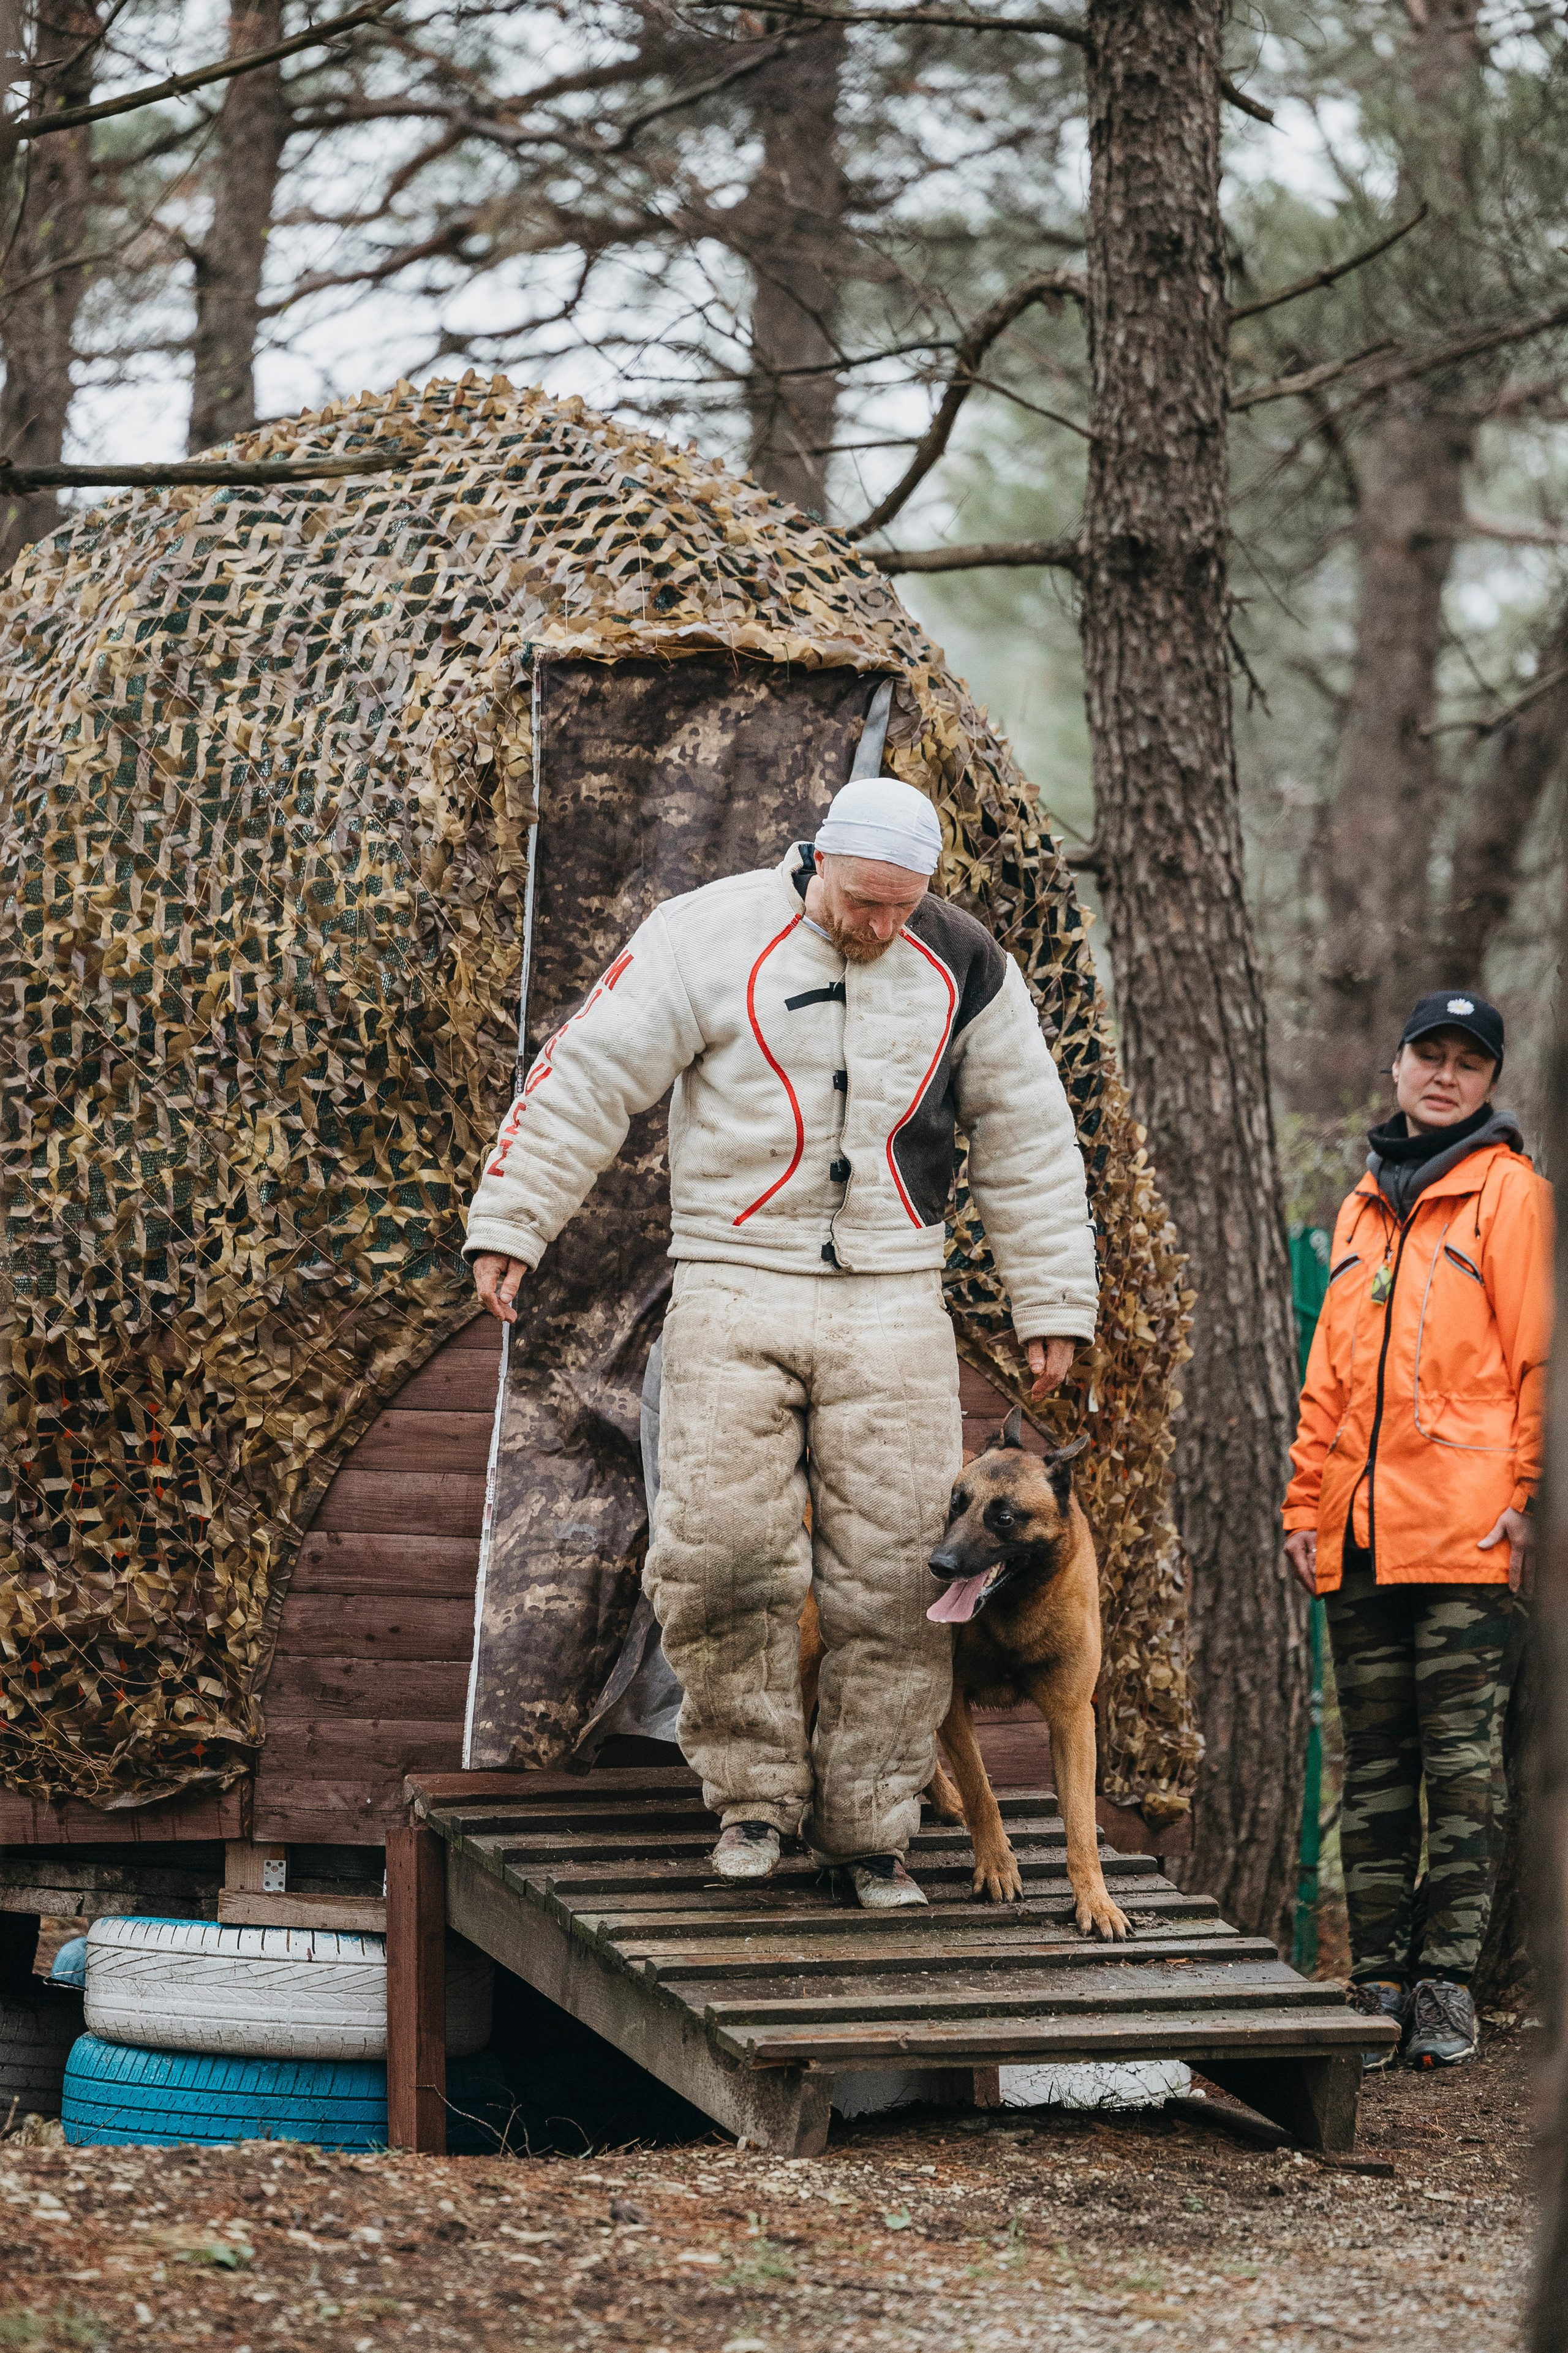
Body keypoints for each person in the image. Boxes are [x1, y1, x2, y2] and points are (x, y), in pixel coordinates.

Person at [464, 774, 1097, 1908]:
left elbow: (1030, 1132)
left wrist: (1052, 1300)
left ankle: (871, 1831)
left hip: (894, 1298)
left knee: (900, 1573)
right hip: (733, 1279)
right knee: (718, 1553)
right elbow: (589, 1068)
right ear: (819, 862)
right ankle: (752, 1800)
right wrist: (514, 1217)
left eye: (903, 907)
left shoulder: (967, 960)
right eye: (863, 903)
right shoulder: (703, 934)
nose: (882, 927)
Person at [1282, 991, 1551, 2067]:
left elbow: (1542, 1360)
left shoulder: (1514, 1196)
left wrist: (1530, 1498)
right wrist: (1304, 1507)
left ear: (1489, 1082)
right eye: (1428, 1055)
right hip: (1359, 1537)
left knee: (1464, 1767)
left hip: (1471, 1538)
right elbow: (1327, 1383)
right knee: (1377, 1768)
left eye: (1467, 1062)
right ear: (1395, 1068)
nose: (1445, 1075)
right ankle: (1378, 1980)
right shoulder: (1361, 1207)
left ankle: (1446, 1986)